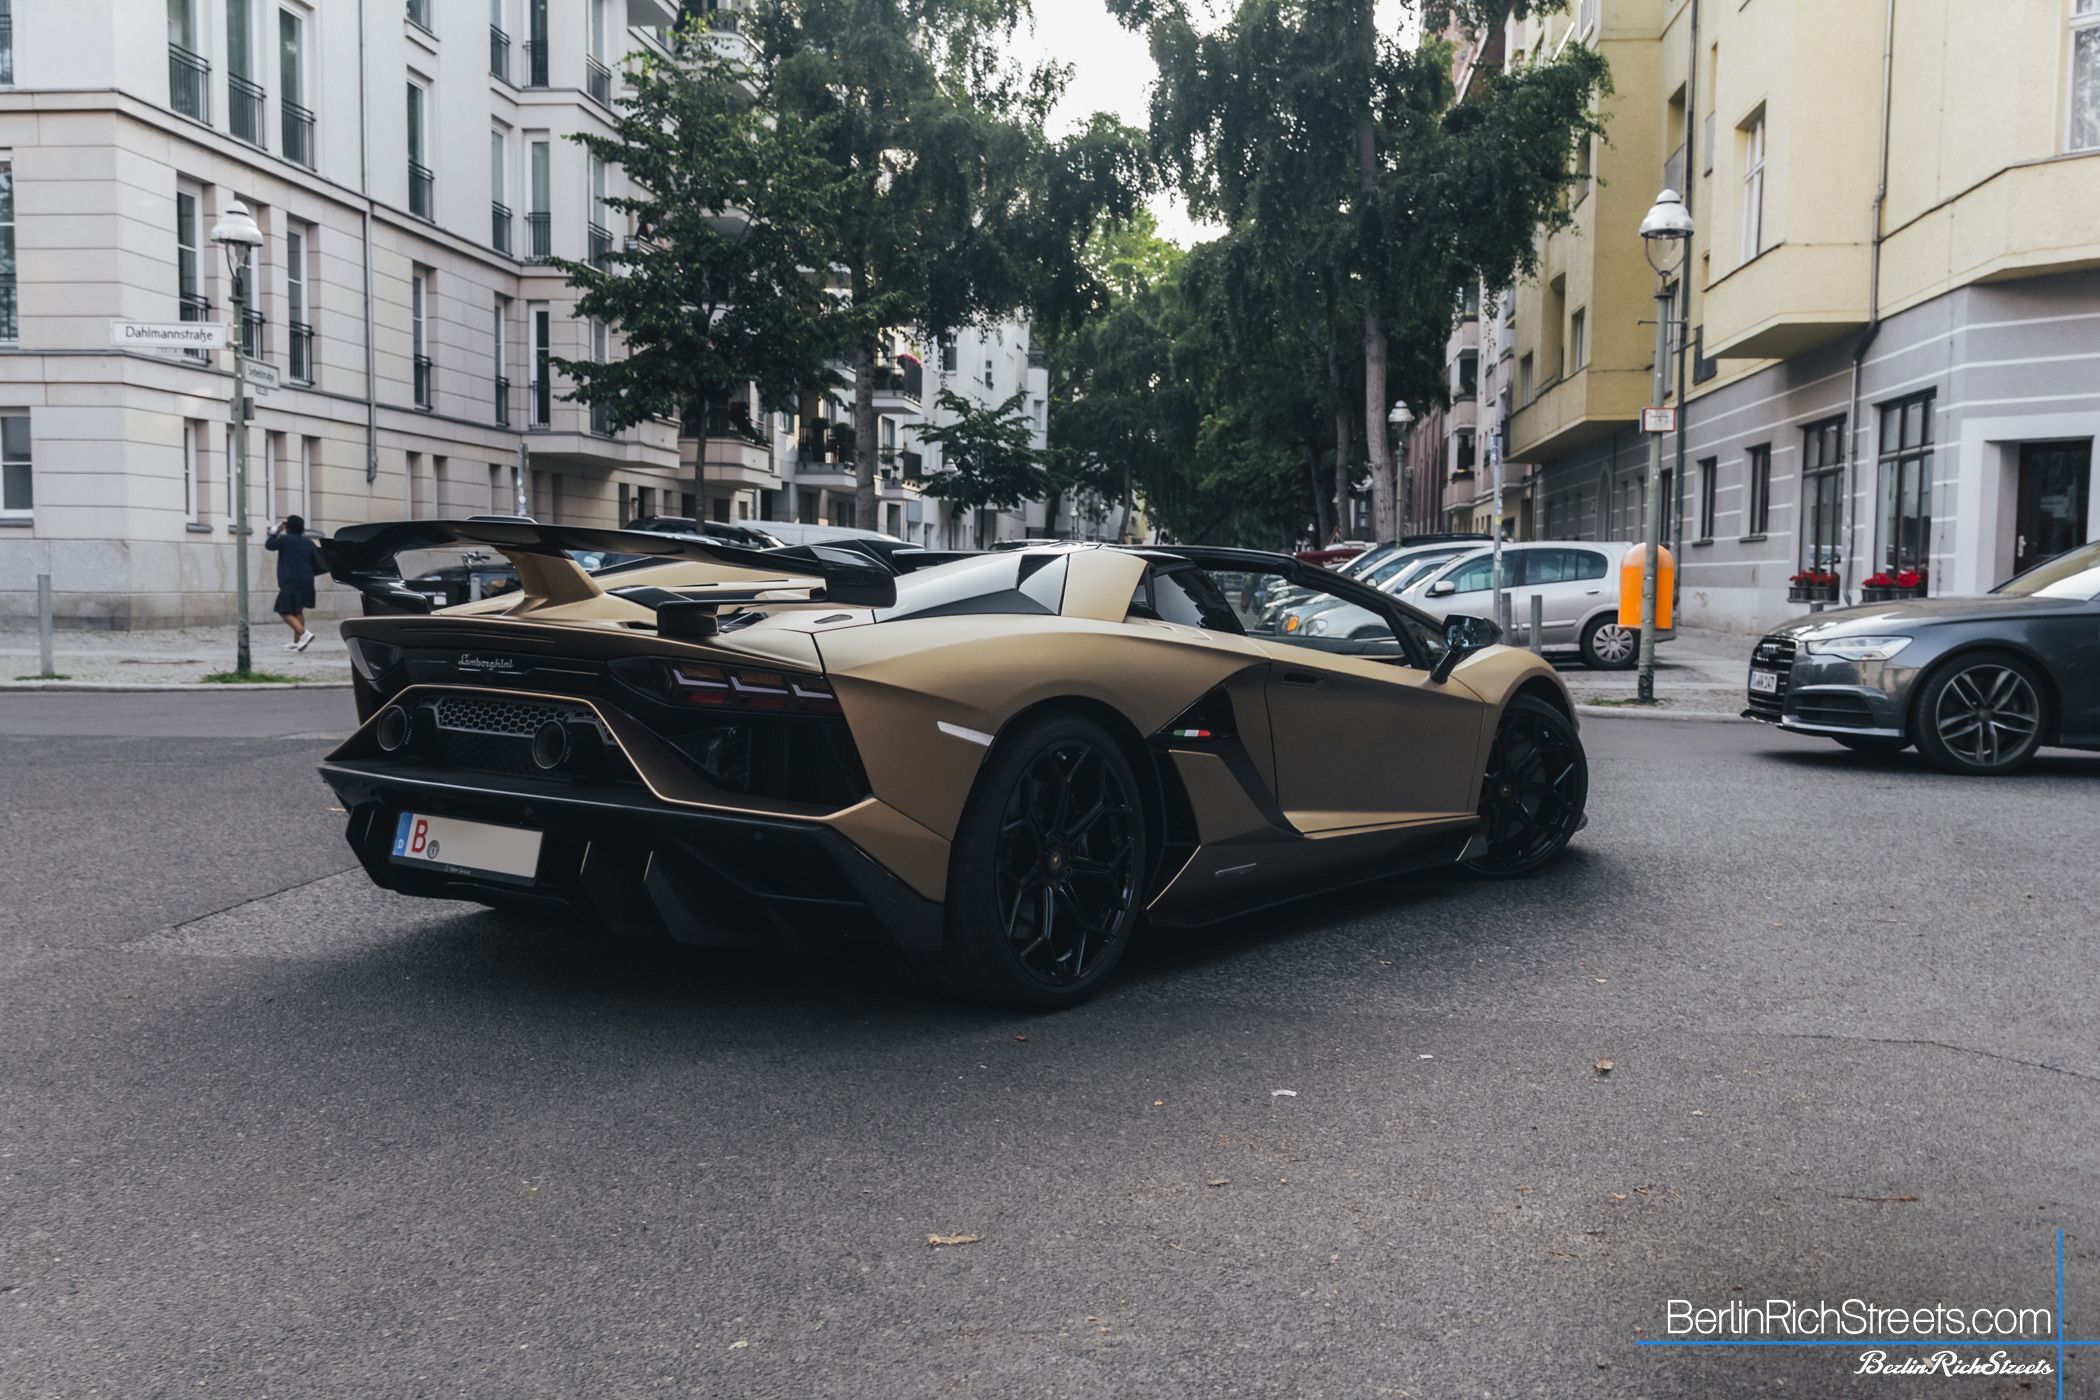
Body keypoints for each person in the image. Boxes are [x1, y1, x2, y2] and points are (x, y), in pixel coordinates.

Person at [264, 515, 323, 651]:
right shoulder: (308, 542)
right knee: (297, 611)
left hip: (291, 581)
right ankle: (297, 643)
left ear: (288, 528)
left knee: (283, 610)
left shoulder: (285, 540)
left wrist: (276, 531)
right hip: (307, 581)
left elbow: (269, 545)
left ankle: (304, 633)